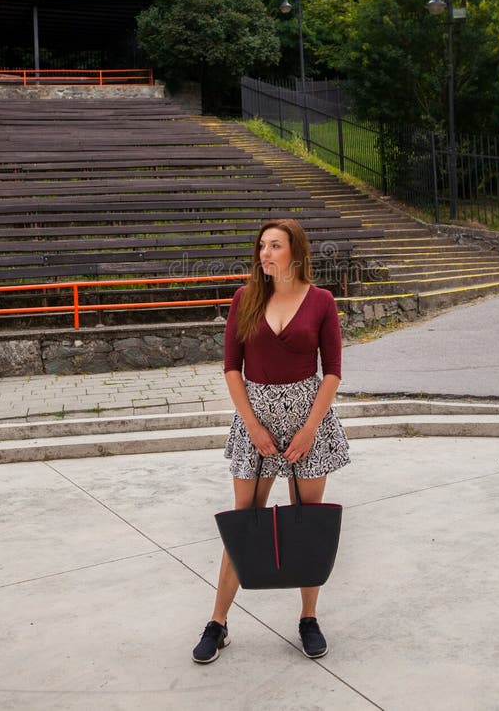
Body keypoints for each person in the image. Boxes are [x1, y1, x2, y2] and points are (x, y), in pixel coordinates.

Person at [192, 218, 350, 664]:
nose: (265, 254)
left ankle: (308, 619)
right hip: (254, 420)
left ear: (295, 252)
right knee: (244, 524)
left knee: (308, 524)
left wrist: (309, 429)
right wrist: (253, 425)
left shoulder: (320, 301)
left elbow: (333, 370)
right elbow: (230, 368)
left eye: (274, 246)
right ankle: (217, 623)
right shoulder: (246, 298)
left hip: (308, 420)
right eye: (262, 246)